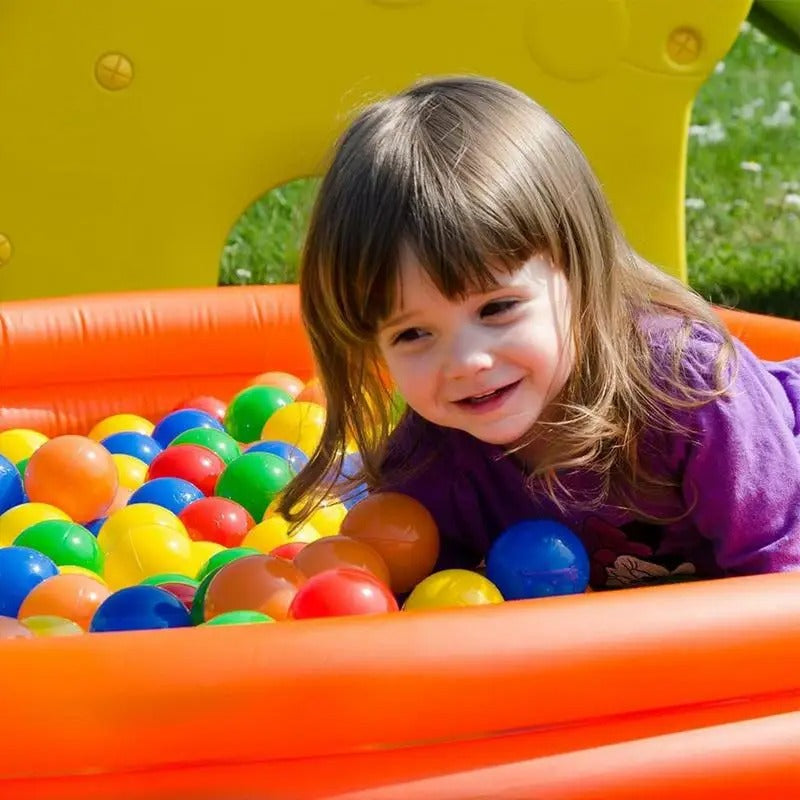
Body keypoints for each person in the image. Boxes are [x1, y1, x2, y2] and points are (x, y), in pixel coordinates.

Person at [276, 75, 800, 590]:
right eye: (413, 335)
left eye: (497, 308)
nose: (465, 361)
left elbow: (781, 583)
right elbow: (425, 614)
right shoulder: (431, 464)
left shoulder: (688, 391)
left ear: (579, 270)